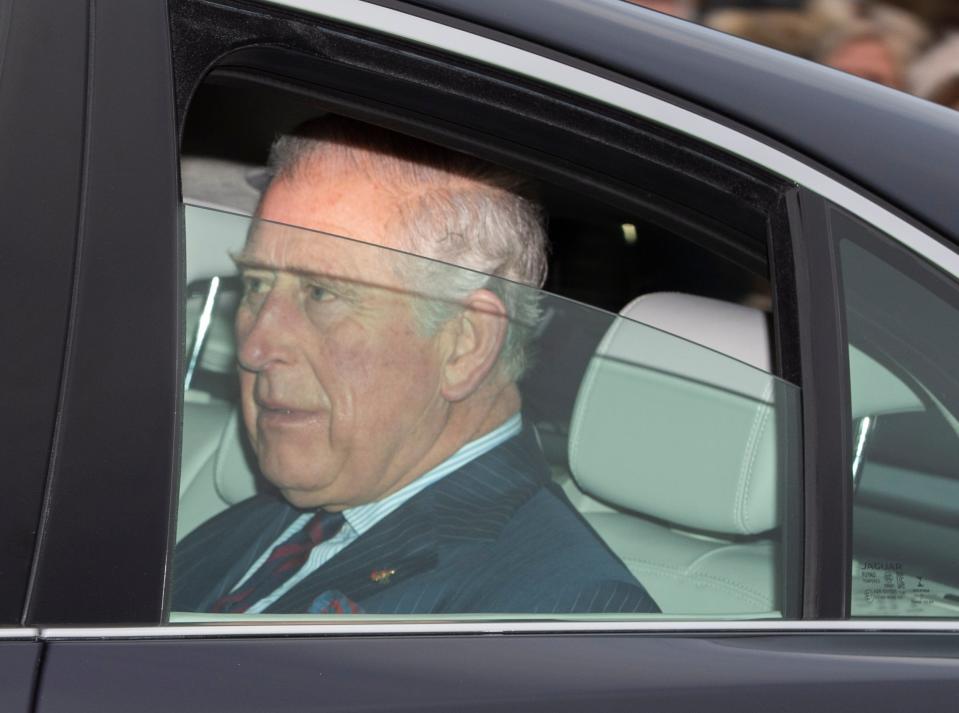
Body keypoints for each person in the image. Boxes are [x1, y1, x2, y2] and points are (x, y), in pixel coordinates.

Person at [173, 116, 658, 616]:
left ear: (464, 343)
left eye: (321, 292)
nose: (254, 346)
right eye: (255, 285)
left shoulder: (560, 613)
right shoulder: (260, 526)